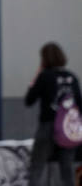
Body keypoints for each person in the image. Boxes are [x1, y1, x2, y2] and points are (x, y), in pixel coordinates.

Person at [25, 42, 81, 186]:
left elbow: (29, 100)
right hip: (67, 127)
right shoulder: (72, 77)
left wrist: (37, 74)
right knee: (67, 168)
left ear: (44, 59)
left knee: (37, 167)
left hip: (48, 126)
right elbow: (79, 104)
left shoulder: (45, 76)